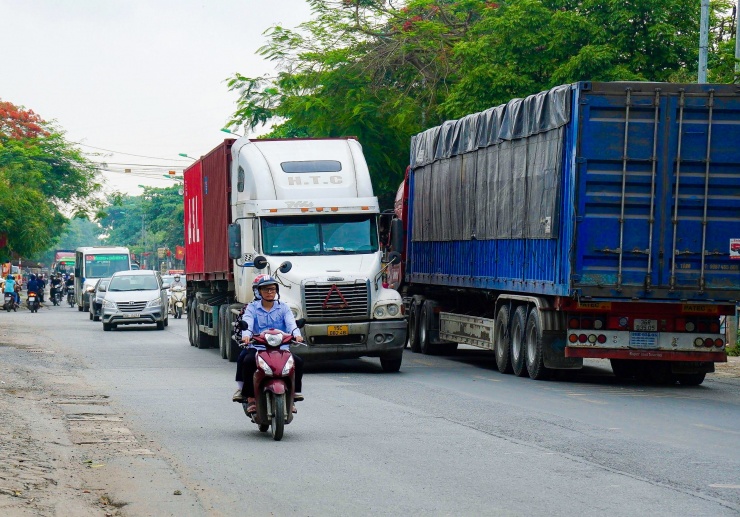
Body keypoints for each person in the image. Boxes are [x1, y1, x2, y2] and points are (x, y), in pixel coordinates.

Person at [232, 275, 304, 412]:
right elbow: (247, 324)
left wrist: (297, 335)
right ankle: (250, 397)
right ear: (259, 292)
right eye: (265, 290)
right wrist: (246, 336)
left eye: (272, 289)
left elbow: (291, 323)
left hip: (281, 347)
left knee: (298, 362)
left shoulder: (284, 308)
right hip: (258, 347)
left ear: (276, 291)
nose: (269, 292)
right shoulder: (252, 308)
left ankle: (293, 395)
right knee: (247, 361)